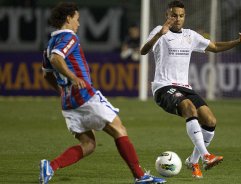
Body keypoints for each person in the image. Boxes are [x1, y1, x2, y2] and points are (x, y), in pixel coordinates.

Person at [39, 2, 166, 184]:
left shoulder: (50, 43)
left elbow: (46, 74)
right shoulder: (70, 37)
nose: (79, 24)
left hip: (68, 102)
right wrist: (73, 78)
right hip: (84, 96)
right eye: (77, 19)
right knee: (119, 129)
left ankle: (51, 166)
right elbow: (56, 59)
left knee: (88, 145)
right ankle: (140, 176)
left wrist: (61, 90)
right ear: (68, 19)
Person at [140, 0, 241, 179]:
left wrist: (239, 41)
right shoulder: (159, 31)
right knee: (189, 108)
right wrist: (159, 35)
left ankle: (193, 161)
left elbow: (214, 47)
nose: (178, 19)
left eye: (181, 16)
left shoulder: (190, 36)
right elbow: (143, 51)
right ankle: (206, 156)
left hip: (184, 87)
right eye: (174, 15)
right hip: (163, 87)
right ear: (167, 16)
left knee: (210, 120)